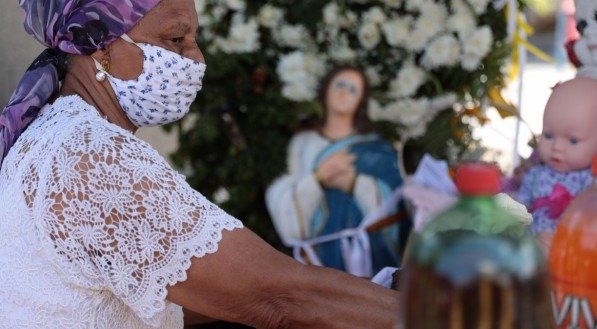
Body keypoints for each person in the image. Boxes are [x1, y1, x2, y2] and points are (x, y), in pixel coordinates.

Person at [0, 1, 399, 328]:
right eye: (175, 39)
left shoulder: (55, 135)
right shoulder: (92, 157)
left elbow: (190, 294)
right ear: (100, 46)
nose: (195, 58)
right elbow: (276, 297)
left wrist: (375, 292)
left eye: (194, 38)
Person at [265, 66, 406, 276]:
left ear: (361, 100)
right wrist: (318, 179)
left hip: (368, 262)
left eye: (352, 89)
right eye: (340, 85)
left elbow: (397, 205)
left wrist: (354, 183)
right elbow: (281, 197)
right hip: (316, 260)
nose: (344, 92)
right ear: (326, 89)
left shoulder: (377, 148)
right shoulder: (302, 143)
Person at [517, 78, 597, 256]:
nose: (557, 147)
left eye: (573, 140)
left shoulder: (590, 182)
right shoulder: (536, 175)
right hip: (535, 240)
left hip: (576, 247)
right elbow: (519, 206)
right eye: (548, 135)